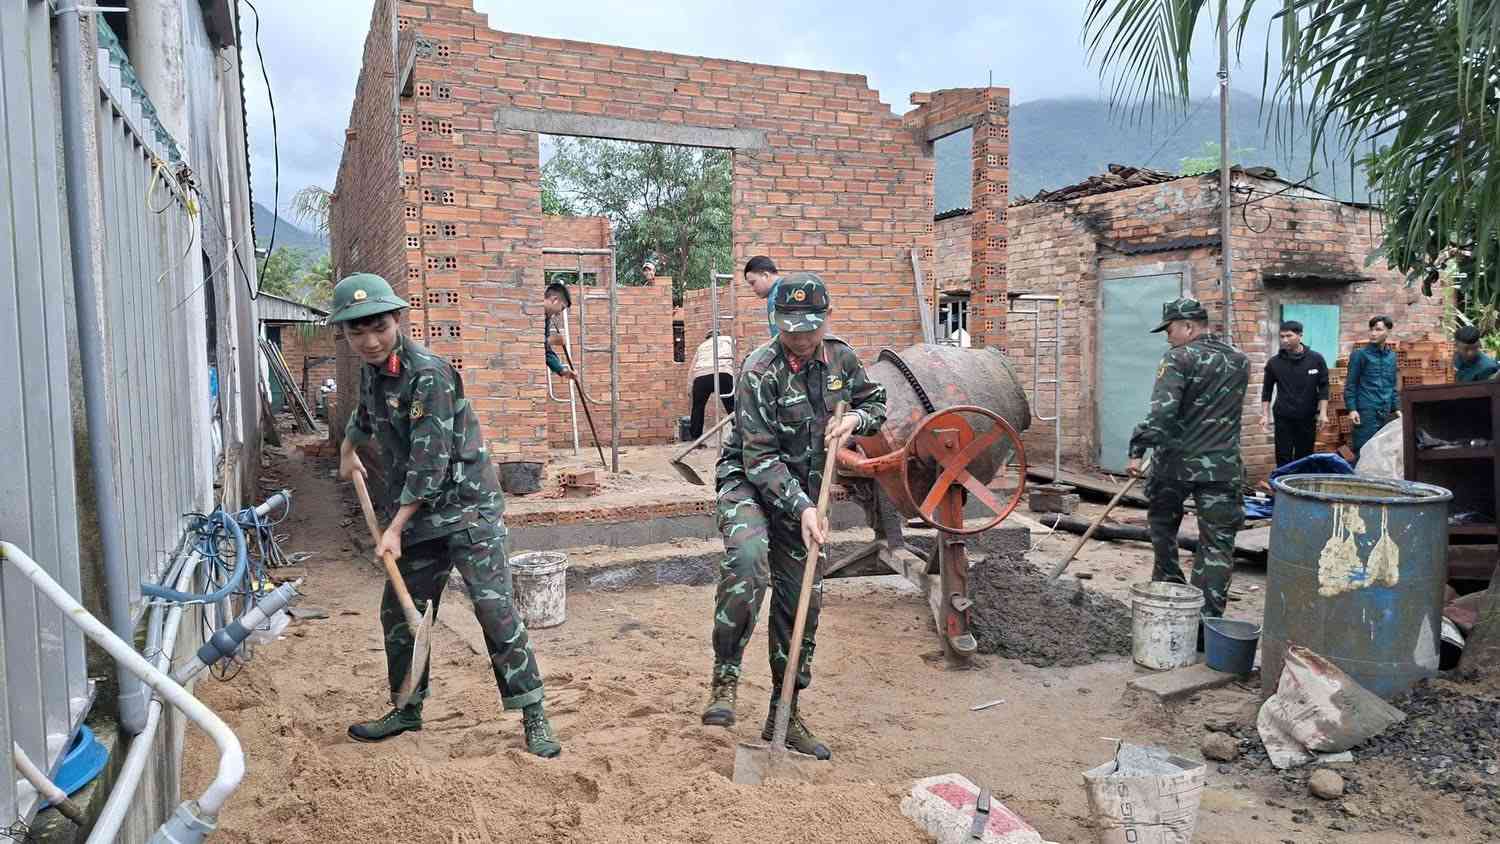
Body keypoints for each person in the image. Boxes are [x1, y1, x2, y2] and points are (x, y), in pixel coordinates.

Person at [332, 273, 561, 757]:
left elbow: (429, 464)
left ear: (396, 319)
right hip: (420, 517)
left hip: (468, 510)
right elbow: (364, 418)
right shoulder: (375, 370)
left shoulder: (428, 374)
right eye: (357, 332)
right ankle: (408, 707)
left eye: (378, 327)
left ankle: (533, 711)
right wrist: (348, 448)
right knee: (398, 612)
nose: (369, 341)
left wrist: (393, 528)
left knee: (493, 608)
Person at [700, 272, 886, 760]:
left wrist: (854, 420)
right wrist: (802, 506)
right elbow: (759, 459)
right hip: (749, 484)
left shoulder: (842, 359)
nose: (801, 336)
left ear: (826, 318)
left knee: (803, 598)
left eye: (810, 326)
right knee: (747, 559)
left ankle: (786, 712)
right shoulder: (758, 370)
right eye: (791, 327)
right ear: (775, 321)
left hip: (806, 490)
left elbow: (875, 402)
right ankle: (725, 677)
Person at [1127, 298, 1249, 629]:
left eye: (1169, 329)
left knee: (1163, 528)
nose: (1167, 336)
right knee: (1218, 545)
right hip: (1223, 468)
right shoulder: (1240, 361)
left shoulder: (1178, 358)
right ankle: (1206, 625)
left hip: (1176, 466)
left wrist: (1137, 448)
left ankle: (1170, 598)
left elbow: (1162, 415)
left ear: (1188, 326)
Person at [1259, 320, 1330, 468]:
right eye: (1282, 336)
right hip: (1283, 416)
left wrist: (1323, 413)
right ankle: (1282, 486)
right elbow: (1267, 391)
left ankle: (1300, 487)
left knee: (1304, 456)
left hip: (1307, 416)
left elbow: (1324, 387)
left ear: (1300, 336)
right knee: (1283, 455)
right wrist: (1265, 415)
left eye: (1289, 336)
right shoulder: (1274, 363)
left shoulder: (1316, 359)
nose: (1285, 340)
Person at [1346, 315, 1400, 454]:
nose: (1373, 333)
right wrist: (1352, 409)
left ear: (1388, 331)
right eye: (1371, 330)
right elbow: (1351, 384)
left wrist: (1397, 408)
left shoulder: (1392, 357)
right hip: (1366, 411)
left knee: (1383, 451)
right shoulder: (1360, 355)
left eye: (1378, 330)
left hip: (1386, 410)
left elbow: (1392, 385)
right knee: (1364, 449)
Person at [688, 330, 735, 439]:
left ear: (707, 338)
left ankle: (695, 437)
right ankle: (742, 434)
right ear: (719, 335)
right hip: (722, 373)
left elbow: (692, 367)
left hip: (701, 376)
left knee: (698, 407)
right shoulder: (728, 339)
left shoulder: (701, 346)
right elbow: (733, 357)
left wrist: (690, 385)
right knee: (732, 405)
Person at [542, 281, 578, 383]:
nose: (558, 313)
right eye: (561, 308)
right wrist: (550, 340)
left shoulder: (546, 318)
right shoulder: (529, 312)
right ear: (554, 300)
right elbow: (521, 340)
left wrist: (562, 370)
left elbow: (546, 351)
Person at [743, 255, 782, 336]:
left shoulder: (775, 297)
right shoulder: (785, 287)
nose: (752, 289)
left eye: (753, 283)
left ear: (765, 275)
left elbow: (778, 339)